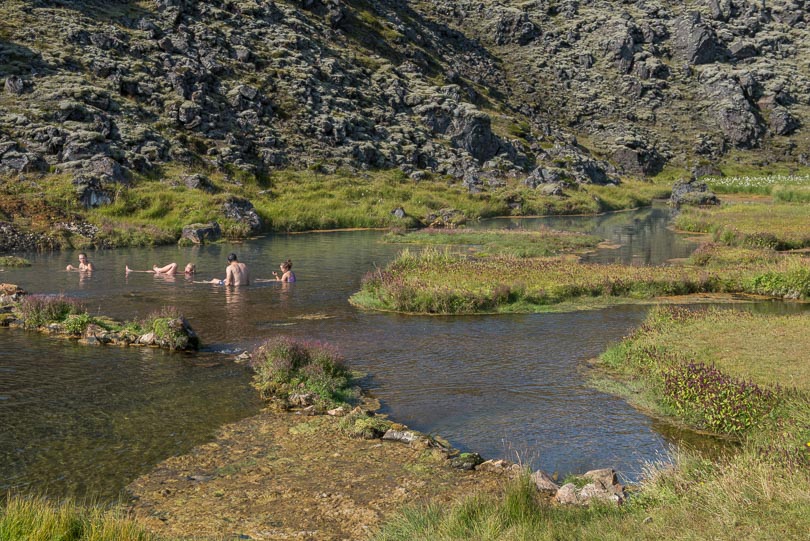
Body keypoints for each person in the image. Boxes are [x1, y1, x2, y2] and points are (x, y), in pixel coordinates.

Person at [126, 263, 196, 276]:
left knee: (175, 264)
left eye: (189, 268)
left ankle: (158, 269)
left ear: (191, 270)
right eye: (186, 267)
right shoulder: (185, 272)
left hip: (169, 276)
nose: (186, 268)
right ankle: (130, 271)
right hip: (168, 275)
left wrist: (192, 272)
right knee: (150, 272)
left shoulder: (189, 274)